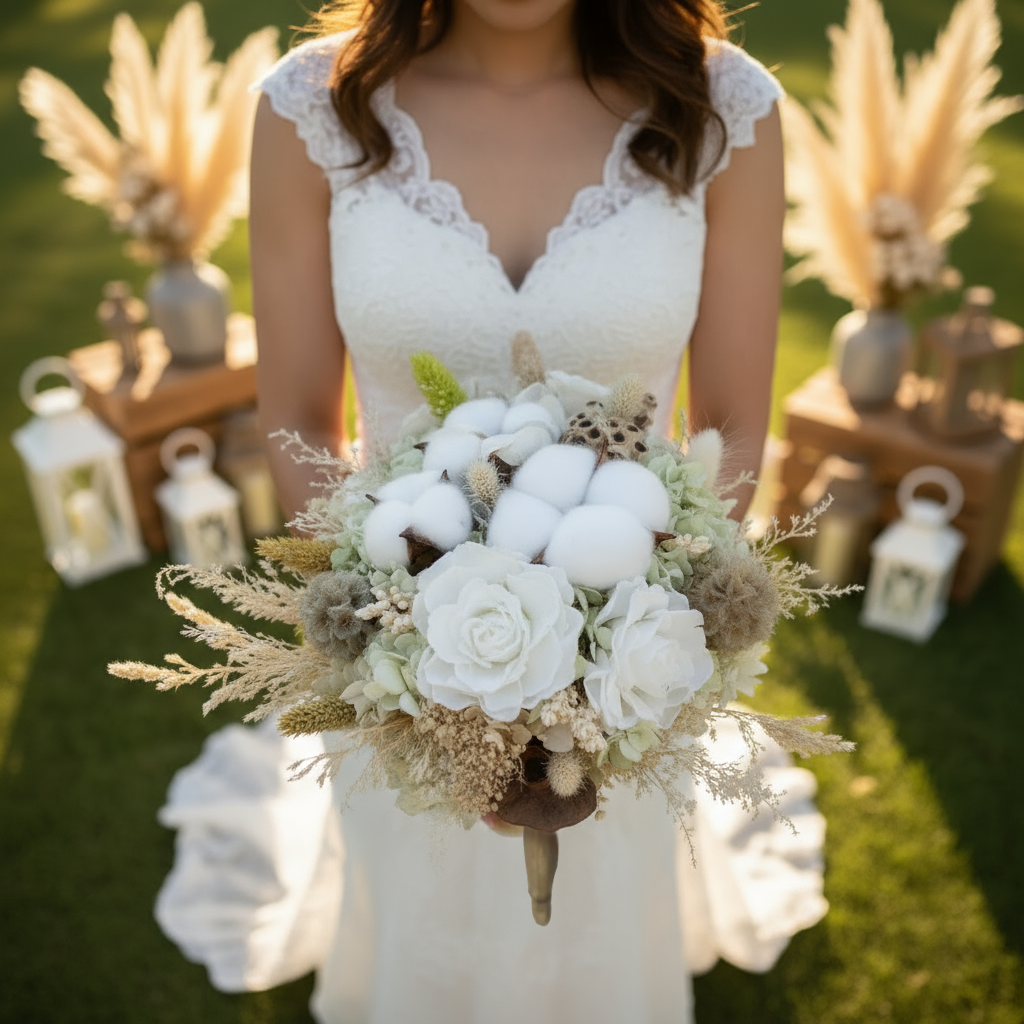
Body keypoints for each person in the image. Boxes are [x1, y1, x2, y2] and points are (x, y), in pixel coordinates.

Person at [154, 1, 830, 1020]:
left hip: (631, 652)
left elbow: (733, 422)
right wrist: (392, 641)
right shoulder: (310, 109)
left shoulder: (724, 106)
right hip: (395, 647)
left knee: (603, 912)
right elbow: (295, 416)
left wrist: (623, 649)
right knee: (422, 897)